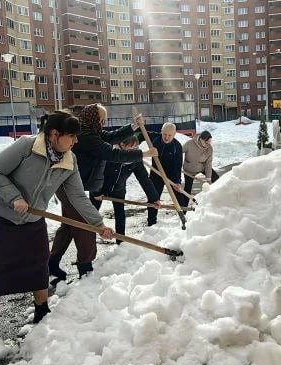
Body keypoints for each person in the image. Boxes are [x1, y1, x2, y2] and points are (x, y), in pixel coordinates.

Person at [0, 112, 115, 350]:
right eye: (71, 136)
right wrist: (14, 197)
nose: (75, 141)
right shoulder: (26, 146)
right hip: (0, 215)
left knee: (38, 262)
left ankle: (42, 309)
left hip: (33, 218)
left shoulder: (68, 161)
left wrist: (98, 224)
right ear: (55, 134)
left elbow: (77, 196)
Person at [48, 104, 155, 280]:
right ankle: (85, 267)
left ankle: (52, 262)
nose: (104, 123)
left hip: (75, 185)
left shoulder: (92, 132)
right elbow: (113, 154)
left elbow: (112, 137)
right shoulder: (86, 136)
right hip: (72, 188)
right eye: (102, 120)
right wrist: (143, 154)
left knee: (68, 225)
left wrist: (133, 126)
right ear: (93, 119)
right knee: (87, 226)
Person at [91, 135, 161, 243]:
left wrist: (154, 198)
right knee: (91, 214)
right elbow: (96, 173)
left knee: (120, 215)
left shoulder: (136, 160)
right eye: (131, 150)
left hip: (118, 189)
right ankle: (87, 238)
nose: (134, 153)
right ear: (122, 145)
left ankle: (121, 243)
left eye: (136, 149)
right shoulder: (110, 153)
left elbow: (144, 179)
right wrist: (96, 192)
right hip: (100, 187)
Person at [146, 122, 184, 225]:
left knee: (178, 197)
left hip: (171, 175)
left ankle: (183, 219)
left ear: (174, 134)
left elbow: (178, 166)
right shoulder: (155, 139)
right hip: (156, 174)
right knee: (153, 198)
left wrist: (177, 181)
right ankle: (151, 223)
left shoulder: (177, 147)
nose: (166, 137)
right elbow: (140, 133)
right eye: (165, 134)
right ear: (161, 132)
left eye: (169, 135)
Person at [182, 130, 219, 199]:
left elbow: (208, 164)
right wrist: (177, 165)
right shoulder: (189, 144)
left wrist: (208, 178)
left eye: (209, 142)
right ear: (201, 139)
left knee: (216, 178)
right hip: (189, 169)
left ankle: (215, 198)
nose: (208, 144)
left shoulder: (209, 149)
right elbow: (179, 152)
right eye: (206, 142)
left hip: (201, 168)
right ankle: (183, 208)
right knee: (187, 189)